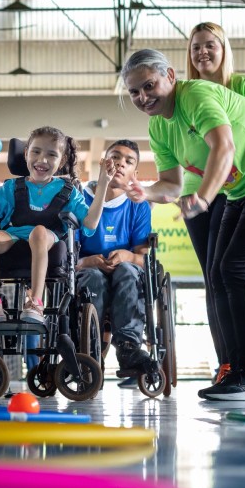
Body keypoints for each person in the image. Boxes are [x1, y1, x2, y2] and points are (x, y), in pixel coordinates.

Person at [121, 48, 245, 401]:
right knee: (219, 273)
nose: (143, 97)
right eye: (134, 92)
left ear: (170, 76)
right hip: (243, 189)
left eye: (149, 86)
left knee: (236, 270)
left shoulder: (195, 95)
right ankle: (238, 370)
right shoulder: (159, 125)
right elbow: (172, 185)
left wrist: (205, 197)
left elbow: (224, 146)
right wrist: (144, 191)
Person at [180, 22, 245, 384]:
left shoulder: (244, 86)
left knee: (231, 275)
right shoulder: (186, 94)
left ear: (223, 49)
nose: (202, 52)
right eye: (195, 47)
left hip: (236, 188)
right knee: (213, 279)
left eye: (209, 45)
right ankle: (227, 364)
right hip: (197, 192)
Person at [0, 126, 105, 326]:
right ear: (26, 154)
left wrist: (103, 184)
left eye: (51, 154)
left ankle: (36, 302)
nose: (42, 160)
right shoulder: (12, 187)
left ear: (62, 161)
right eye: (36, 152)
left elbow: (90, 223)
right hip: (14, 236)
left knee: (39, 232)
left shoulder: (68, 191)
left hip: (48, 240)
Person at [75, 139, 153, 389]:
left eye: (129, 161)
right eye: (115, 157)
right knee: (93, 277)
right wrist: (88, 261)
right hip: (88, 272)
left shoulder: (138, 205)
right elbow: (67, 258)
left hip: (124, 275)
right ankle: (90, 350)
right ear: (103, 163)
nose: (120, 163)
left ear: (134, 174)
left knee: (129, 270)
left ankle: (128, 348)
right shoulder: (79, 198)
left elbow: (143, 259)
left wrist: (128, 256)